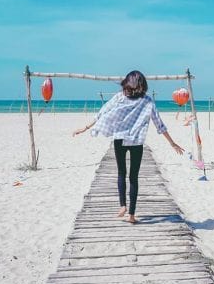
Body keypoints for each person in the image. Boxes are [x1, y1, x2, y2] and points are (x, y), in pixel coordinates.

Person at [73, 70, 184, 223]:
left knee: (121, 173)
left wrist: (85, 128)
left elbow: (102, 112)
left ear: (127, 83)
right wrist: (172, 143)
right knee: (133, 177)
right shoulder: (147, 101)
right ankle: (131, 215)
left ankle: (122, 206)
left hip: (119, 139)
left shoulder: (120, 97)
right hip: (136, 141)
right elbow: (159, 124)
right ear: (142, 85)